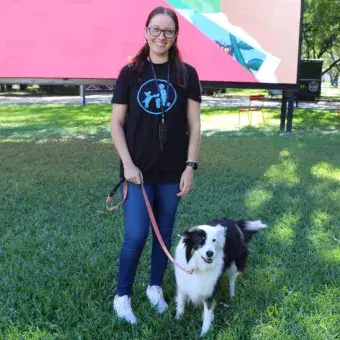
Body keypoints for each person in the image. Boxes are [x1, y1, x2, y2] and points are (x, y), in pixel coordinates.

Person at [110, 6, 201, 324]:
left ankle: (154, 289)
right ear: (146, 30)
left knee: (164, 232)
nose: (161, 36)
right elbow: (116, 124)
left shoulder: (186, 74)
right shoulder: (130, 72)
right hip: (137, 172)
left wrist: (190, 166)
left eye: (168, 31)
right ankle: (122, 296)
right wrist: (127, 165)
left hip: (172, 171)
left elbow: (194, 123)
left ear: (176, 35)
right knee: (136, 235)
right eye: (155, 29)